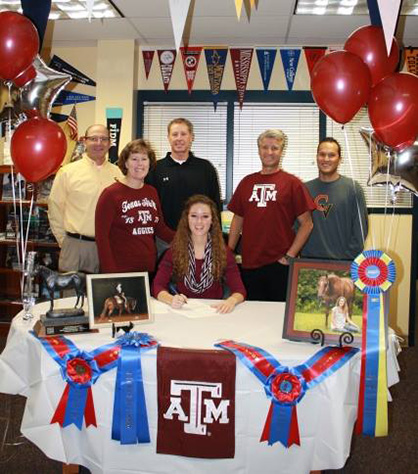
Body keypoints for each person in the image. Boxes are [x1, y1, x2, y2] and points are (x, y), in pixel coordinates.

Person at [228, 129, 315, 302]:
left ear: (282, 151)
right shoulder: (246, 182)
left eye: (274, 148)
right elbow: (238, 219)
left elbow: (307, 224)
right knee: (252, 314)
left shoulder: (293, 184)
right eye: (265, 147)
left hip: (280, 264)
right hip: (249, 263)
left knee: (278, 316)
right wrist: (229, 251)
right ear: (259, 150)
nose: (269, 152)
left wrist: (289, 256)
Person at [48, 124, 123, 273]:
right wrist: (65, 241)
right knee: (71, 295)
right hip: (76, 246)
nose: (99, 143)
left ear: (109, 143)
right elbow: (55, 208)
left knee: (104, 295)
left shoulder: (119, 174)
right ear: (84, 142)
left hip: (109, 248)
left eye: (103, 139)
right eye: (93, 139)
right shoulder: (68, 172)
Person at [153, 194, 246, 313]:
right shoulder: (175, 251)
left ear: (212, 220)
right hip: (184, 311)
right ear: (187, 218)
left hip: (214, 312)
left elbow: (240, 290)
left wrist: (231, 300)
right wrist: (171, 299)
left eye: (205, 216)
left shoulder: (224, 252)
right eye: (194, 216)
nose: (199, 222)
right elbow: (157, 286)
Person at [95, 139, 175, 274]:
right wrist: (110, 273)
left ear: (150, 163)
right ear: (125, 163)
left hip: (148, 269)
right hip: (120, 270)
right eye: (134, 159)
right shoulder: (110, 194)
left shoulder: (151, 192)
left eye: (144, 159)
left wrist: (188, 239)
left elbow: (160, 228)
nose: (140, 164)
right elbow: (102, 238)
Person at [146, 118, 222, 229]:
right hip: (164, 239)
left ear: (191, 137)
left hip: (199, 235)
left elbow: (215, 204)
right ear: (168, 138)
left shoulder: (205, 168)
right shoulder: (155, 168)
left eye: (183, 134)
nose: (179, 138)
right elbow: (149, 206)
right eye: (175, 134)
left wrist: (216, 234)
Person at [301, 137, 368, 260]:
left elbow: (360, 232)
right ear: (316, 157)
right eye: (322, 154)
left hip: (342, 263)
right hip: (307, 262)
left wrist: (345, 260)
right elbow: (296, 227)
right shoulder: (304, 189)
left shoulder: (353, 189)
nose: (326, 159)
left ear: (339, 159)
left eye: (331, 155)